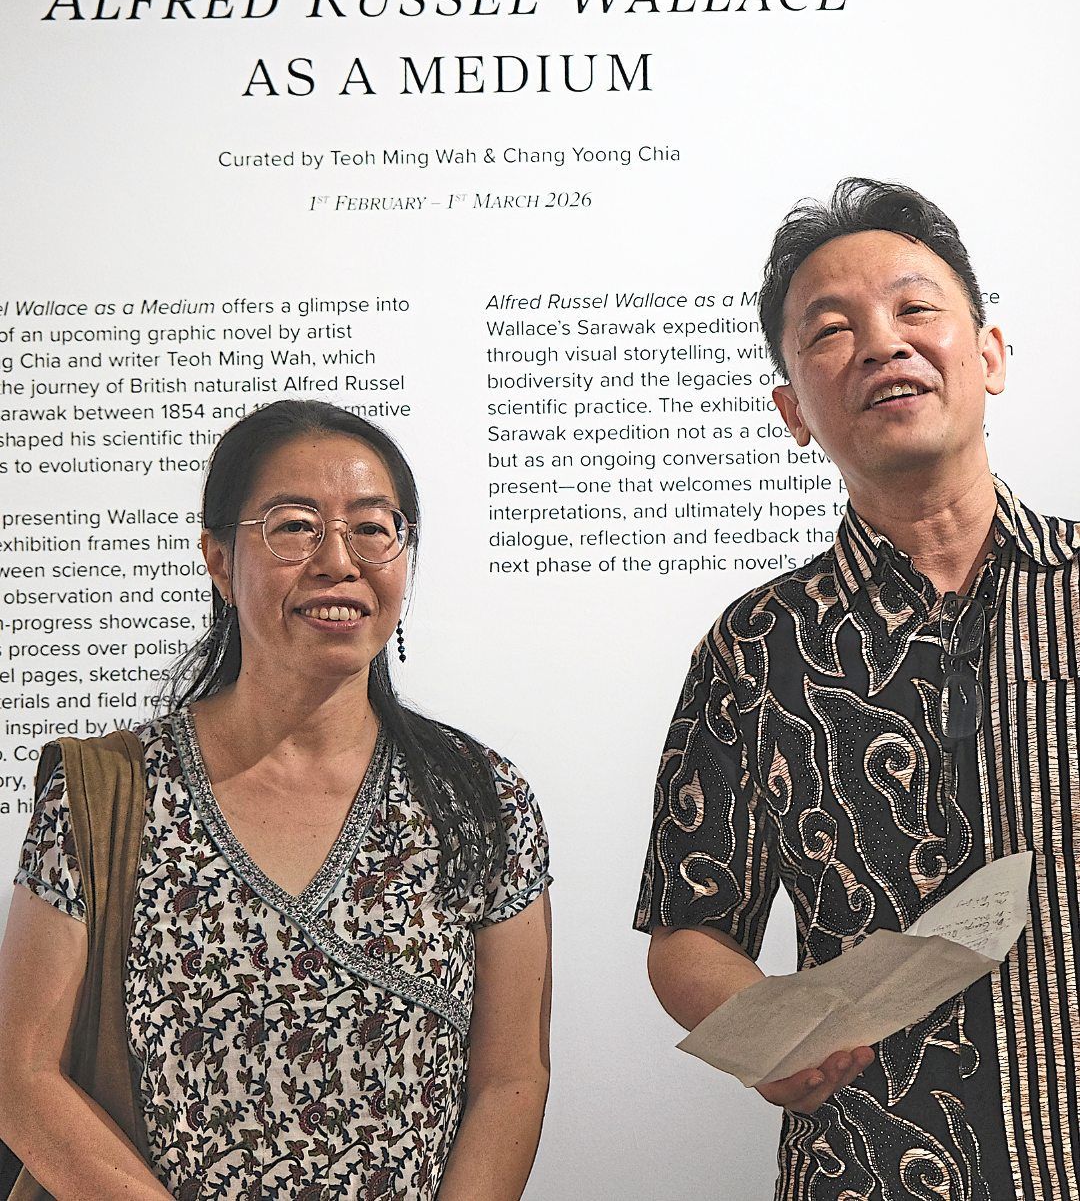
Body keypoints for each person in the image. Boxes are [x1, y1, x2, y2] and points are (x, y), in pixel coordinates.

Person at [636, 178, 1079, 1199]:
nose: (883, 344)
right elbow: (689, 931)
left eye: (916, 308)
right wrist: (768, 1025)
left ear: (991, 355)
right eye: (831, 331)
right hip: (875, 1169)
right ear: (793, 409)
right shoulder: (757, 646)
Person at [0, 399, 552, 1200]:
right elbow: (20, 1075)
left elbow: (511, 1078)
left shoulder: (480, 800)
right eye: (295, 526)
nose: (339, 560)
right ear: (220, 560)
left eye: (373, 527)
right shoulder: (109, 793)